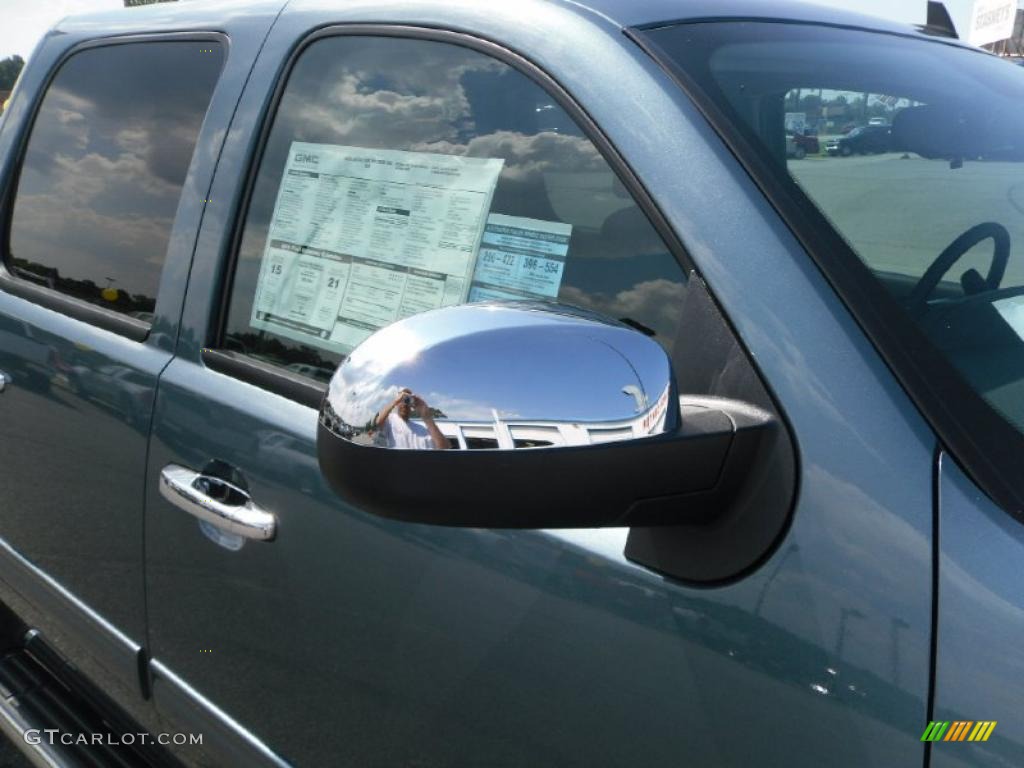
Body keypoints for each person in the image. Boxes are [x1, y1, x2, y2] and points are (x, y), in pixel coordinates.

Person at [376, 388, 448, 450]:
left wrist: (426, 414)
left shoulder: (422, 429)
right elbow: (378, 422)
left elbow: (444, 448)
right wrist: (394, 402)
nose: (405, 403)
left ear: (412, 405)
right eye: (402, 399)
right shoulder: (390, 419)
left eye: (408, 400)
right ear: (397, 403)